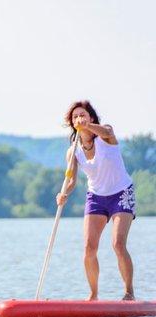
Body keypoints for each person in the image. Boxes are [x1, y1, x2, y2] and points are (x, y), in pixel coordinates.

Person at [56, 100, 136, 301]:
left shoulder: (105, 134)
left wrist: (87, 126)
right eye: (75, 117)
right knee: (89, 248)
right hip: (96, 197)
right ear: (71, 122)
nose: (79, 119)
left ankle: (129, 292)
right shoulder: (73, 150)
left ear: (91, 117)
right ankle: (93, 294)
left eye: (82, 115)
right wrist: (63, 193)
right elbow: (72, 180)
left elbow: (107, 132)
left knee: (118, 244)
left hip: (121, 193)